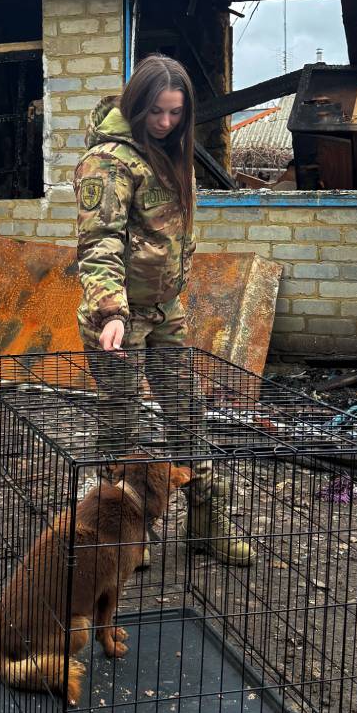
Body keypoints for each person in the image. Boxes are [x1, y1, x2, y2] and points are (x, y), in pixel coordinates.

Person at [72, 54, 253, 566]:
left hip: (164, 309)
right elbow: (99, 243)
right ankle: (122, 528)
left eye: (176, 112)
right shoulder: (108, 161)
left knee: (186, 411)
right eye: (156, 111)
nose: (166, 122)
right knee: (122, 420)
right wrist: (111, 311)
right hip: (118, 316)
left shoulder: (173, 153)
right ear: (136, 105)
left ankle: (206, 521)